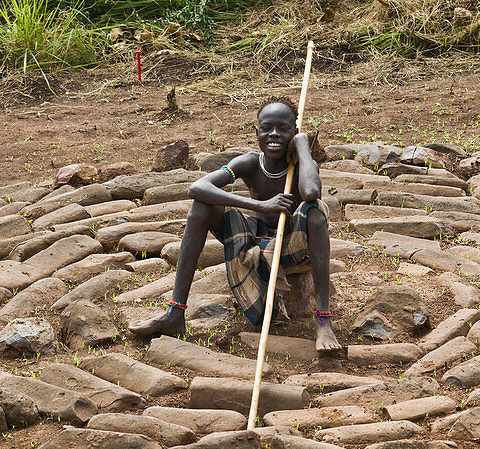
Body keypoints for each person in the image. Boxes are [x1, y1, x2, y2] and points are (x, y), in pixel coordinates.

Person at [128, 96, 342, 353]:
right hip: (256, 239)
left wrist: (303, 147)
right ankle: (175, 313)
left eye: (283, 129)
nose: (274, 134)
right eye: (267, 128)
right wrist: (260, 206)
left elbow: (310, 192)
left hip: (294, 244)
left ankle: (323, 320)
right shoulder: (250, 163)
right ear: (256, 132)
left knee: (316, 212)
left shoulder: (303, 166)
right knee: (202, 206)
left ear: (294, 132)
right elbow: (198, 188)